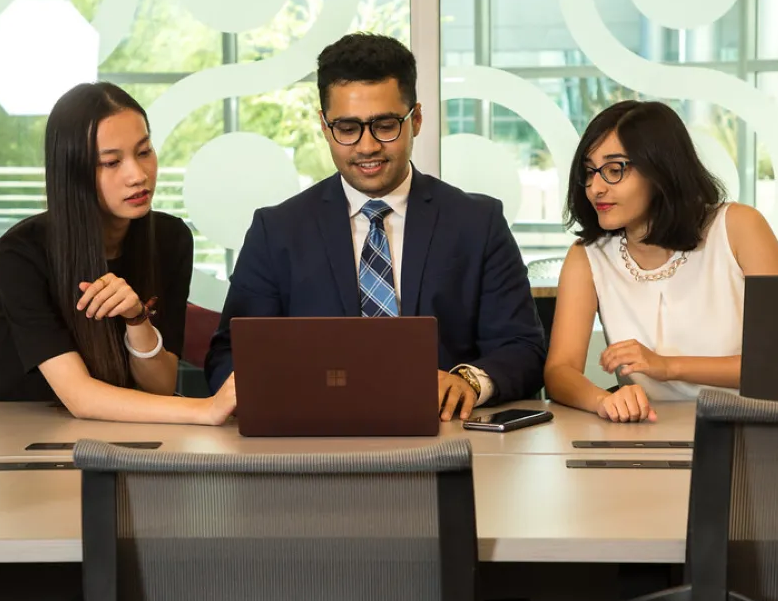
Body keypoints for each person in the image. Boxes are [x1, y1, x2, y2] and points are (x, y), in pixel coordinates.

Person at [205, 33, 546, 420]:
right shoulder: (277, 231)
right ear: (323, 124)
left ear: (415, 119)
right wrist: (286, 389)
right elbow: (228, 358)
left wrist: (467, 381)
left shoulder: (477, 224)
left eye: (385, 125)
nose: (367, 147)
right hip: (313, 442)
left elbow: (522, 349)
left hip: (445, 440)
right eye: (347, 128)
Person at [0, 82, 235, 425]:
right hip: (23, 438)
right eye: (112, 162)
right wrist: (206, 408)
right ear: (73, 172)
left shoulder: (171, 239)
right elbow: (80, 397)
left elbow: (159, 387)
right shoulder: (21, 253)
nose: (138, 175)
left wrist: (136, 319)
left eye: (144, 152)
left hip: (125, 436)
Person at [544, 100, 778, 423]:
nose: (595, 188)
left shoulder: (739, 227)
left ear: (660, 169)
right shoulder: (588, 255)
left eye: (614, 170)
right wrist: (604, 401)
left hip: (753, 427)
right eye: (589, 172)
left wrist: (668, 366)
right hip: (647, 431)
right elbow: (559, 371)